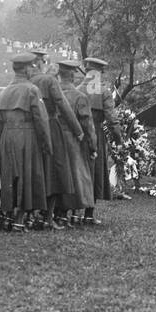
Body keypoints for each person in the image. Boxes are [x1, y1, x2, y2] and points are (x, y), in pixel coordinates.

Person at [0, 52, 51, 231]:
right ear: (26, 69)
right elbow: (41, 119)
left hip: (6, 136)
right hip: (26, 134)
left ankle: (8, 216)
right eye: (31, 67)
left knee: (9, 176)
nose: (32, 69)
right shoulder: (32, 90)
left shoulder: (4, 91)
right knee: (27, 175)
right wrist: (46, 143)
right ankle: (20, 219)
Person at [33, 57, 85, 230]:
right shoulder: (50, 81)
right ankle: (48, 216)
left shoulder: (31, 80)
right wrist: (78, 130)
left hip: (33, 128)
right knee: (57, 171)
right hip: (52, 127)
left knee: (39, 170)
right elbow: (63, 106)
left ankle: (36, 215)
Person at [79, 56, 121, 219]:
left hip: (78, 133)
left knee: (79, 170)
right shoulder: (103, 91)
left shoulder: (76, 89)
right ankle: (89, 214)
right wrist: (119, 139)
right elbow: (112, 119)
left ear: (87, 71)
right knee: (95, 172)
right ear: (100, 73)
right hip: (96, 132)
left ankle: (75, 212)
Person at [56, 60, 96, 224]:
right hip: (74, 140)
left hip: (55, 138)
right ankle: (73, 211)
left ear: (59, 74)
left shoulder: (53, 94)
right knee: (77, 175)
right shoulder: (80, 97)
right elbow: (87, 125)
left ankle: (58, 212)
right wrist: (93, 145)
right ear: (73, 75)